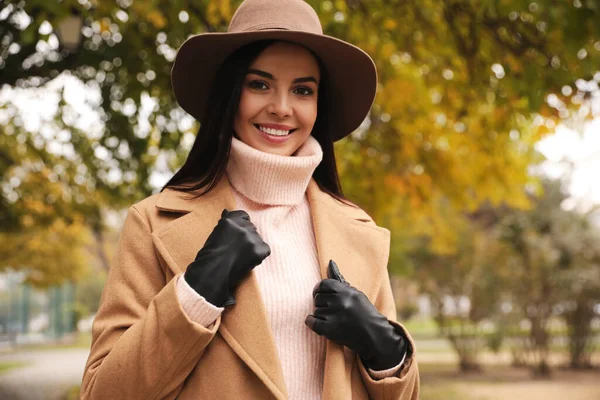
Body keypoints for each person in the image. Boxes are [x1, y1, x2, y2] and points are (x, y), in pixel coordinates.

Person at [81, 0, 419, 399]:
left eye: (303, 90)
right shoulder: (154, 223)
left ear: (318, 104)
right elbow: (102, 392)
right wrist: (196, 291)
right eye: (259, 84)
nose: (281, 108)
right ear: (230, 93)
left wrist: (385, 348)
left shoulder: (358, 230)